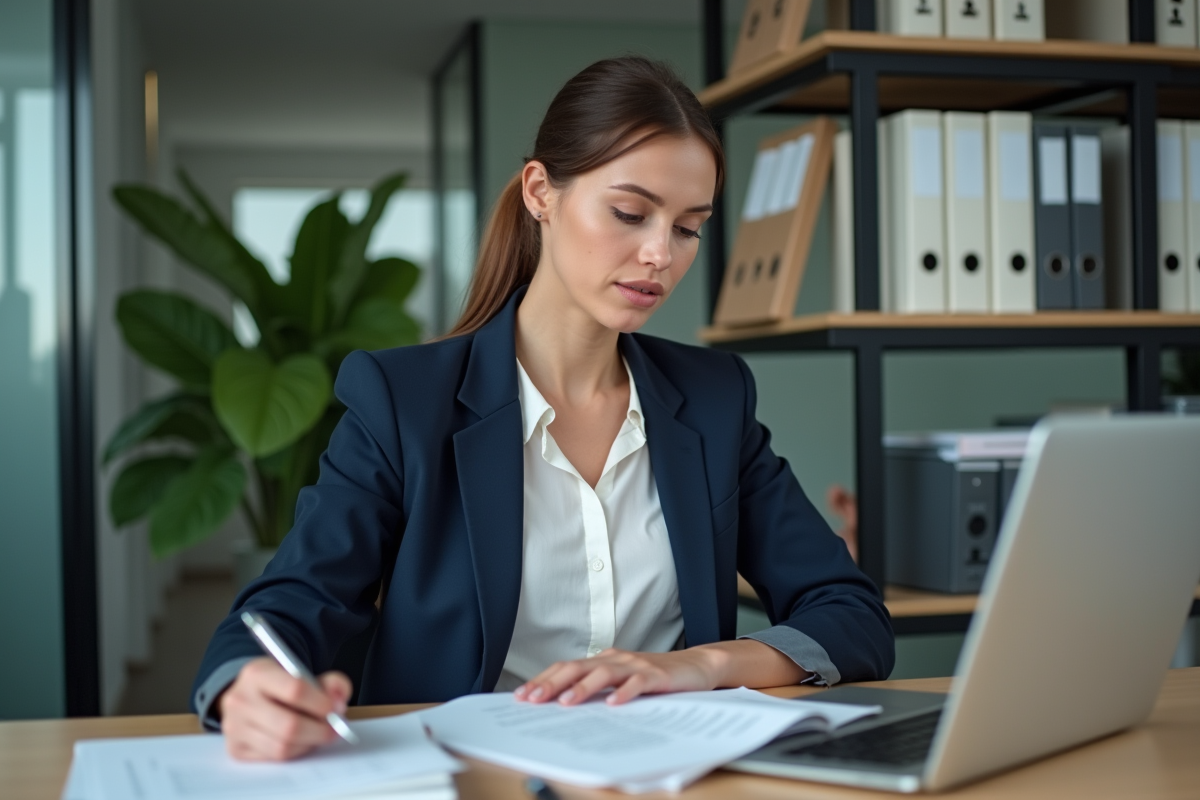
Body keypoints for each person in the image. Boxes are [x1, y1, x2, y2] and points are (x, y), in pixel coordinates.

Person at [192, 56, 894, 762]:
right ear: (541, 193)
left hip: (669, 771)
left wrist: (699, 666)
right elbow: (287, 605)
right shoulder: (404, 400)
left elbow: (851, 614)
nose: (660, 254)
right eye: (629, 212)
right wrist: (244, 687)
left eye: (689, 227)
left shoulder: (715, 400)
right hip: (470, 775)